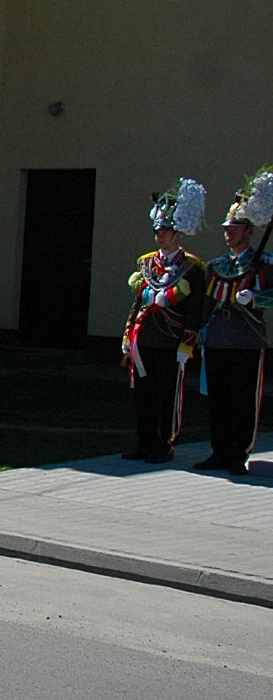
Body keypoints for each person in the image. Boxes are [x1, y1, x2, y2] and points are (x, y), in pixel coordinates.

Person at [122, 180, 210, 465]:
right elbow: (138, 304)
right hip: (145, 338)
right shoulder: (146, 263)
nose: (160, 236)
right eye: (157, 231)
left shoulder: (192, 267)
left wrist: (187, 342)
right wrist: (128, 336)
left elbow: (196, 309)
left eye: (165, 231)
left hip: (171, 341)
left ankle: (165, 444)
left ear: (178, 233)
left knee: (167, 395)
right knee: (144, 396)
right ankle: (145, 442)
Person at [198, 169, 272, 474]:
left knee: (243, 401)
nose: (229, 233)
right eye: (227, 228)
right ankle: (219, 451)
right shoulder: (217, 265)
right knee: (219, 399)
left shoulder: (265, 264)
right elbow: (207, 303)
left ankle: (238, 454)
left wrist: (254, 299)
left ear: (249, 232)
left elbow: (272, 296)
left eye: (235, 228)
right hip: (218, 336)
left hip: (246, 337)